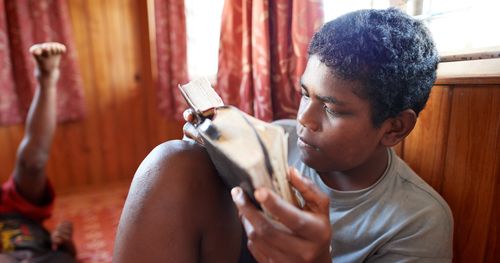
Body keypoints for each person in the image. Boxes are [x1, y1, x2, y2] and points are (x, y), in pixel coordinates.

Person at [114, 8, 453, 262]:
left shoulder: (420, 222)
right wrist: (213, 147)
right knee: (175, 160)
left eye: (333, 109)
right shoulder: (281, 138)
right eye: (306, 93)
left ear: (395, 127)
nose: (304, 118)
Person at [0, 42, 77, 262]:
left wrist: (63, 242)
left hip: (45, 257)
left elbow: (66, 254)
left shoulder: (9, 202)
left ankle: (47, 79)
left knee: (33, 163)